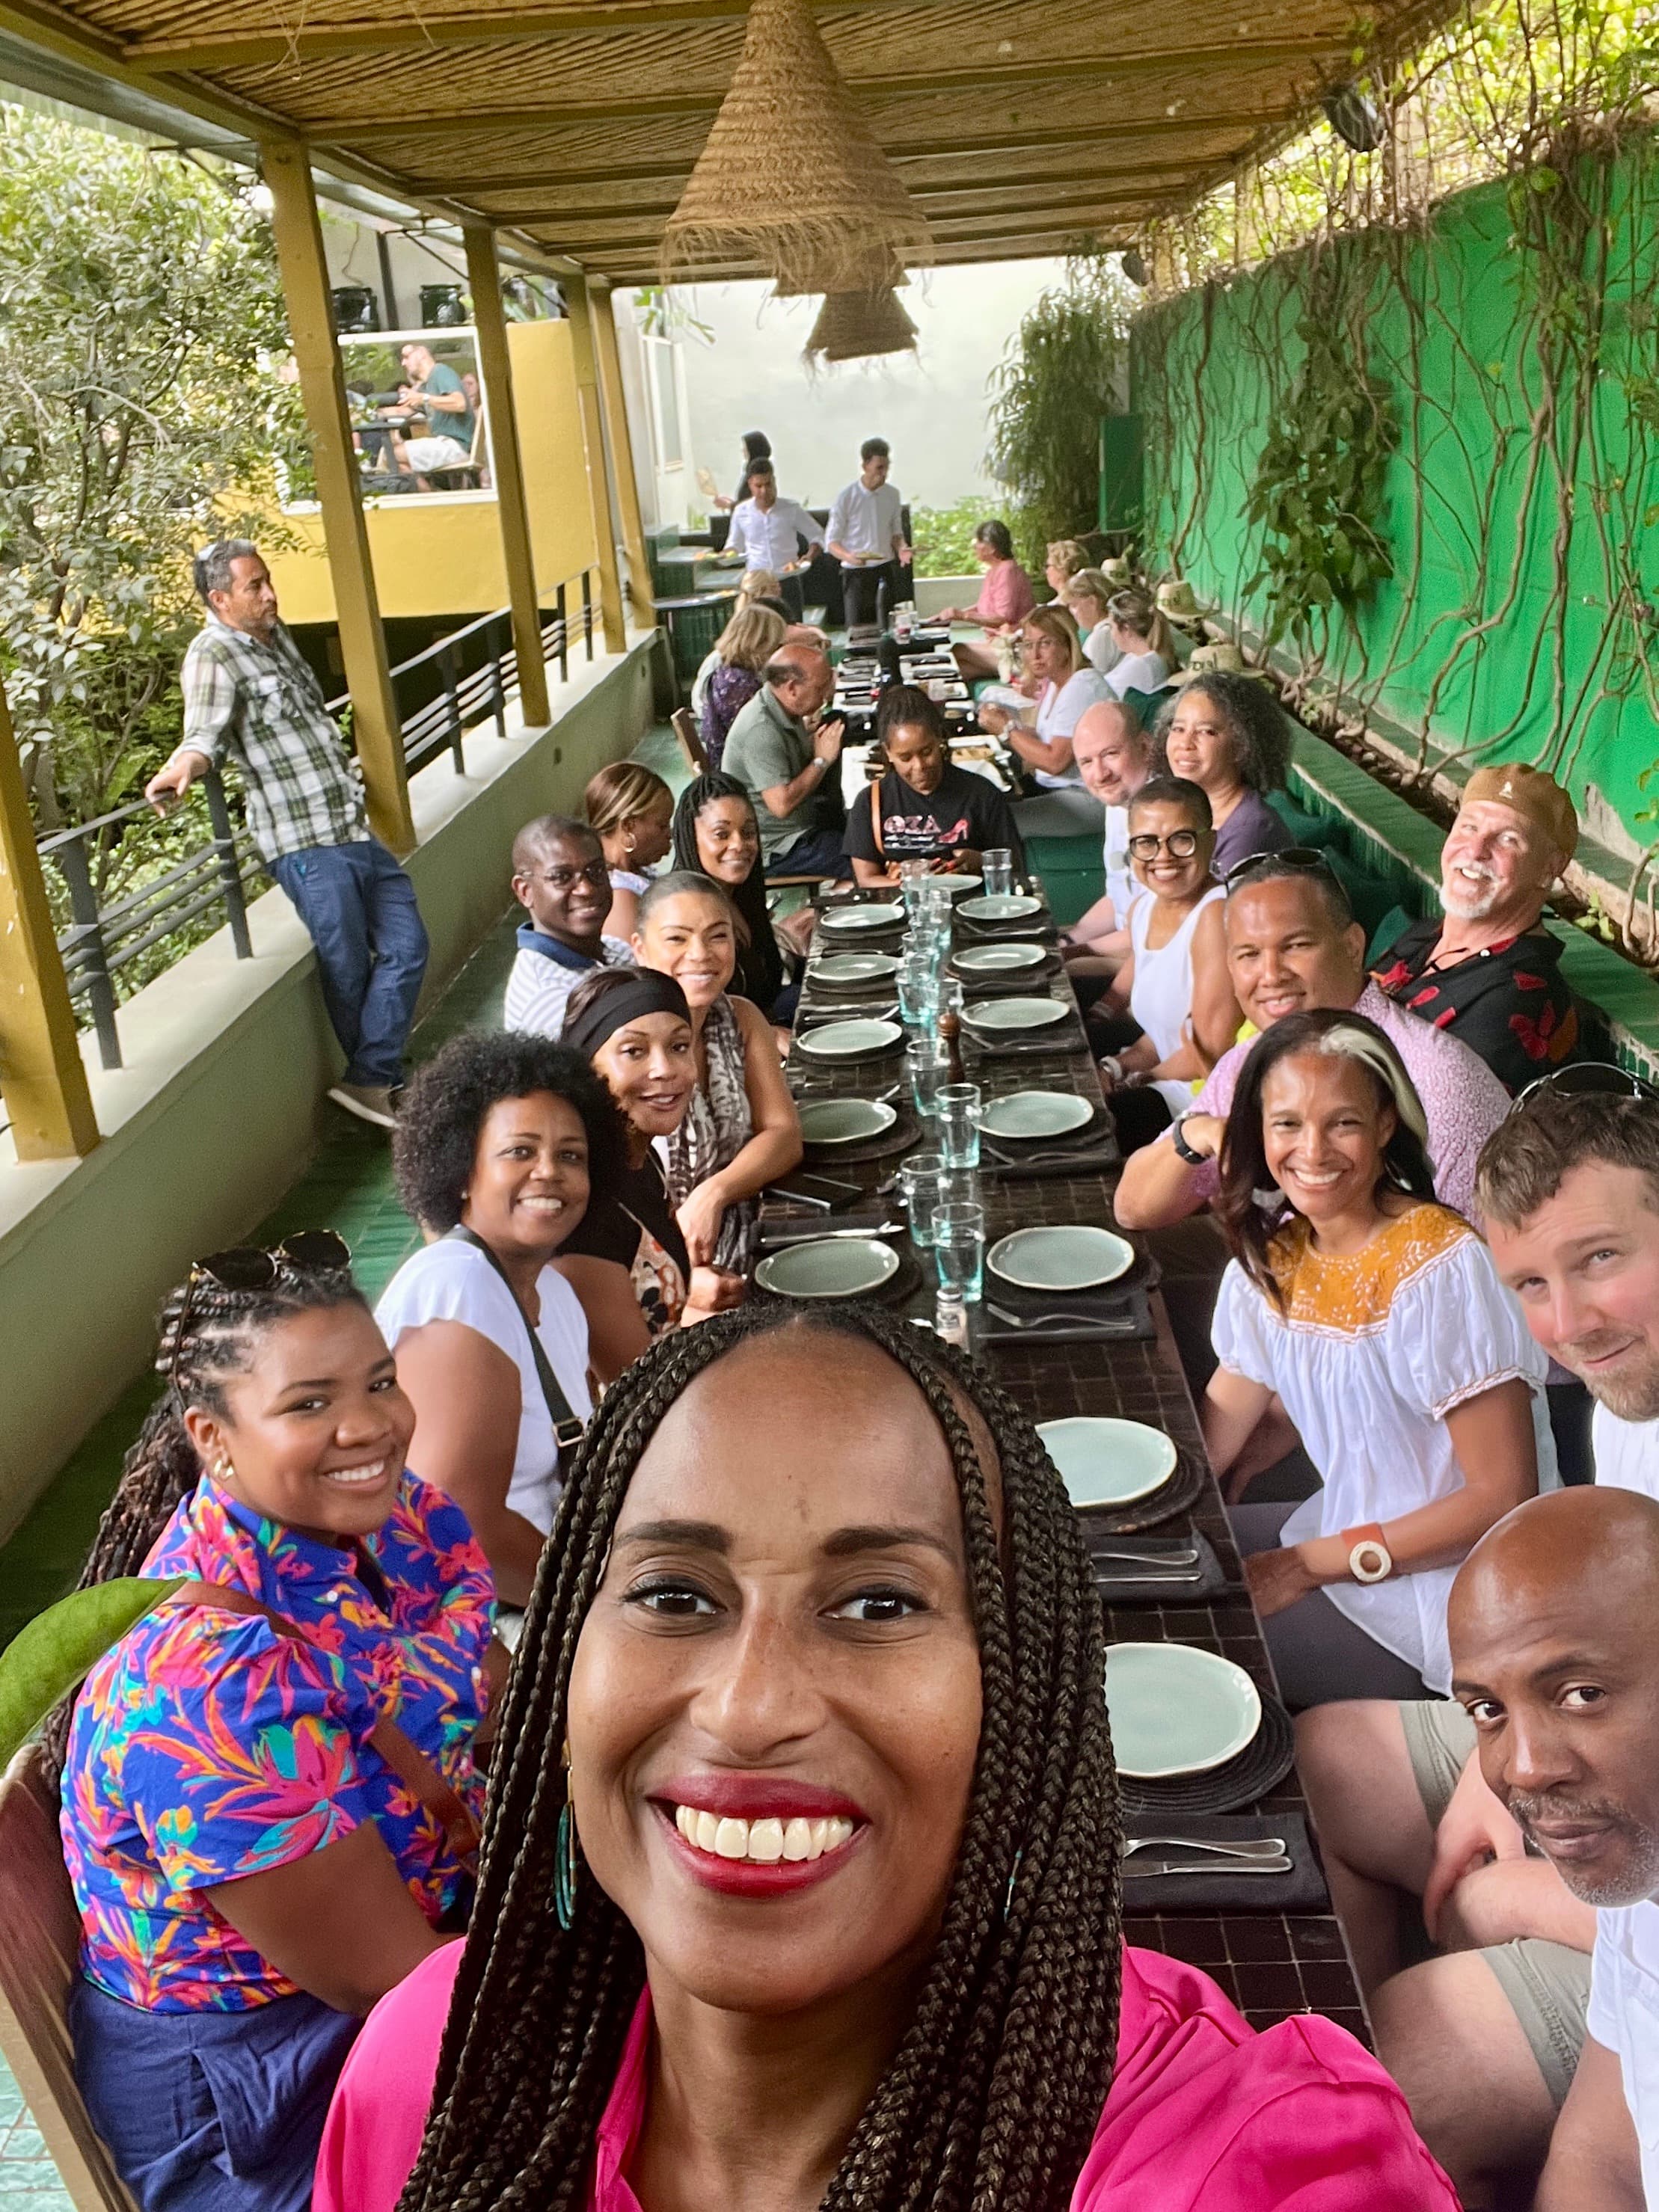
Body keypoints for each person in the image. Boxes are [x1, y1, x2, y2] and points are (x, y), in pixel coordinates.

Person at [314, 1305, 1459, 2212]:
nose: (749, 1708)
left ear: (1026, 1694)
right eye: (673, 1594)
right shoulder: (438, 2062)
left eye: (876, 1602)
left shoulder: (1232, 2160)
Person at [59, 1238, 491, 2211]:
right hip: (269, 2094)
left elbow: (482, 1673)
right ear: (213, 1438)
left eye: (379, 1381)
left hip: (408, 1929)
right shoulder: (207, 1694)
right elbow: (394, 1984)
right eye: (310, 1403)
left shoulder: (381, 1518)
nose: (369, 1425)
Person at [1295, 1073, 1659, 2204]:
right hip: (1601, 1760)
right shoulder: (1623, 1394)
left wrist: (1511, 1900)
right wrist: (1496, 1760)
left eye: (1599, 1259)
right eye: (1529, 1287)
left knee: (1398, 2061)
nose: (1568, 1325)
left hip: (1626, 1862)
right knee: (1326, 1762)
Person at [1205, 1008, 1553, 1708]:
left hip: (1454, 1596)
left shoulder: (1441, 1265)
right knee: (1163, 1574)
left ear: (1386, 1124)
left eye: (1343, 1122)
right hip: (1342, 1536)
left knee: (1198, 1639)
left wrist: (1305, 1565)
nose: (1313, 1151)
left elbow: (1500, 1498)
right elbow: (1216, 1434)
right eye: (1287, 1125)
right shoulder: (1275, 1262)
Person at [146, 540, 429, 1132]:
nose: (270, 594)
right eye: (255, 587)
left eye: (267, 581)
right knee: (348, 965)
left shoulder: (277, 638)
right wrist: (181, 772)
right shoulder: (213, 654)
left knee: (407, 943)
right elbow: (204, 732)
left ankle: (370, 1078)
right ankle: (378, 1082)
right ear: (220, 598)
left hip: (349, 826)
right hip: (301, 843)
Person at [1447, 1489, 1659, 2211]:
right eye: (1488, 1711)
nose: (1525, 1767)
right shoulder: (1638, 1879)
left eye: (1582, 1693)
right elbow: (1603, 2157)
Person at [1114, 852, 1511, 1232]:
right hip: (1281, 1265)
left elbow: (1461, 1265)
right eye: (1249, 955)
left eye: (1296, 946)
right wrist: (1196, 1133)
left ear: (1354, 947)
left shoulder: (1435, 1078)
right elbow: (1133, 1209)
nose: (1270, 975)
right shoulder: (1253, 1058)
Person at [377, 1033, 627, 1609]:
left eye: (571, 1156)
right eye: (520, 1151)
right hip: (487, 1627)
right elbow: (458, 1534)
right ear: (461, 1172)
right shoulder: (456, 1287)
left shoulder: (556, 1295)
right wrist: (596, 1610)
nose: (549, 1172)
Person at [559, 966, 746, 1344]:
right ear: (586, 1067)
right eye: (634, 1051)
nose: (664, 1070)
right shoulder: (587, 1216)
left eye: (679, 1046)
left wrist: (692, 1302)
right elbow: (630, 1387)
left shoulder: (639, 1158)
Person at [1373, 764, 1580, 1093]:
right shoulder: (1424, 938)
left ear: (1549, 868)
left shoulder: (1522, 994)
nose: (1476, 850)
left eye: (1508, 839)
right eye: (1468, 827)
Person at [631, 872, 802, 1273]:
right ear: (639, 948)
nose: (701, 954)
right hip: (663, 1267)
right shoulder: (625, 1047)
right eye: (678, 938)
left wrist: (713, 1194)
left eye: (717, 936)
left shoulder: (740, 1017)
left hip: (749, 1235)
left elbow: (784, 1133)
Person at [1093, 777, 1237, 1152]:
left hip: (1197, 1107)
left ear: (1212, 840)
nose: (1164, 856)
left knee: (1087, 1132)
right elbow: (1160, 1037)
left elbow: (1208, 1053)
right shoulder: (1144, 909)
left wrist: (1133, 1082)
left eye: (1182, 839)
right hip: (1159, 1084)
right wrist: (1113, 1068)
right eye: (1147, 843)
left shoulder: (1216, 917)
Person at [844, 686, 1025, 887]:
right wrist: (916, 882)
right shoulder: (870, 802)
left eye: (927, 751)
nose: (919, 766)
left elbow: (1014, 864)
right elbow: (866, 879)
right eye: (905, 758)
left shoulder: (981, 794)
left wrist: (979, 861)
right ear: (888, 753)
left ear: (939, 738)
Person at [669, 772, 804, 1019]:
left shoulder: (741, 895)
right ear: (691, 836)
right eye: (722, 834)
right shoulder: (682, 910)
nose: (739, 844)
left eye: (748, 832)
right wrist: (768, 1035)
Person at [720, 645, 850, 880]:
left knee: (866, 830)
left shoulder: (784, 708)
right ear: (792, 688)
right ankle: (815, 914)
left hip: (804, 822)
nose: (826, 695)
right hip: (779, 845)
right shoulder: (760, 730)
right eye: (820, 688)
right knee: (862, 858)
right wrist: (822, 760)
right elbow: (781, 805)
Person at [983, 604, 1113, 835]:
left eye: (1046, 643)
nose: (1035, 655)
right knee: (984, 807)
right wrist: (1007, 724)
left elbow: (1055, 761)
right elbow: (1046, 739)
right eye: (1029, 645)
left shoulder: (1082, 687)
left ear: (1067, 645)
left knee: (993, 822)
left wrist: (1007, 730)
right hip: (1058, 789)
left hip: (1088, 797)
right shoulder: (1058, 683)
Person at [1153, 672, 1295, 878]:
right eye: (1178, 729)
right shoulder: (1183, 809)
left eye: (1206, 731)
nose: (1185, 743)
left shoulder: (1250, 831)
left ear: (1242, 746)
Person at [503, 815, 633, 1038]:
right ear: (525, 891)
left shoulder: (615, 949)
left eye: (596, 871)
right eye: (562, 877)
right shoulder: (550, 1000)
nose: (586, 889)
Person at [1058, 701, 1154, 974]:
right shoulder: (1119, 803)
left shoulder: (1165, 816)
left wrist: (1073, 952)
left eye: (1111, 754)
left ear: (1145, 747)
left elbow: (1157, 932)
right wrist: (1067, 939)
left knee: (1060, 975)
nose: (1100, 774)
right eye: (1087, 762)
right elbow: (1117, 899)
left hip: (1152, 958)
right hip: (1126, 945)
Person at [826, 436, 910, 629]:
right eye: (879, 468)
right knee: (859, 630)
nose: (884, 474)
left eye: (887, 467)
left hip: (884, 568)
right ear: (865, 466)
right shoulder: (846, 497)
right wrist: (850, 556)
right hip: (855, 574)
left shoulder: (892, 495)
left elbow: (896, 533)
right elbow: (831, 542)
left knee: (888, 626)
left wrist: (902, 549)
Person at [583, 762, 674, 939]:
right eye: (662, 825)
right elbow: (636, 966)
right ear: (628, 826)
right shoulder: (620, 897)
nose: (669, 834)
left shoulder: (633, 873)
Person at [936, 519, 1035, 678]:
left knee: (959, 650)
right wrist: (948, 616)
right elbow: (984, 607)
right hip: (997, 644)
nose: (975, 546)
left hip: (1014, 648)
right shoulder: (994, 571)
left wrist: (963, 616)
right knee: (957, 669)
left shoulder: (1007, 570)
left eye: (980, 541)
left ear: (992, 546)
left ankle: (1019, 675)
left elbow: (1003, 618)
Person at [696, 601, 788, 772]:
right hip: (739, 773)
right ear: (760, 644)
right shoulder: (740, 685)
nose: (779, 651)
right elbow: (759, 737)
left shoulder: (730, 672)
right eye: (777, 645)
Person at [726, 459, 824, 618]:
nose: (764, 491)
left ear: (774, 481)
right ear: (750, 484)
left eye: (768, 484)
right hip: (758, 584)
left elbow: (817, 535)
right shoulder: (741, 512)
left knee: (792, 628)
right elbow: (734, 545)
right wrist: (726, 554)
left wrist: (809, 557)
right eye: (759, 486)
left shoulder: (791, 509)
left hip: (787, 580)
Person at [386, 341, 474, 480]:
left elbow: (460, 403)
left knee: (391, 455)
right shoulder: (427, 386)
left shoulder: (440, 372)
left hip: (455, 445)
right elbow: (402, 411)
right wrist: (367, 414)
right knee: (395, 462)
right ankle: (433, 496)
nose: (403, 363)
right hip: (445, 444)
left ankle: (433, 496)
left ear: (421, 354)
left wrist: (424, 398)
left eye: (406, 357)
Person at [1097, 588, 1174, 700]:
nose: (1111, 633)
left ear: (1126, 629)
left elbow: (1101, 697)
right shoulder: (1140, 657)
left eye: (1112, 627)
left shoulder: (1142, 665)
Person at [1064, 568, 1122, 675]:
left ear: (1092, 602)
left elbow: (1089, 680)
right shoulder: (1110, 629)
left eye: (1074, 605)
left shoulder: (1102, 637)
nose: (1071, 612)